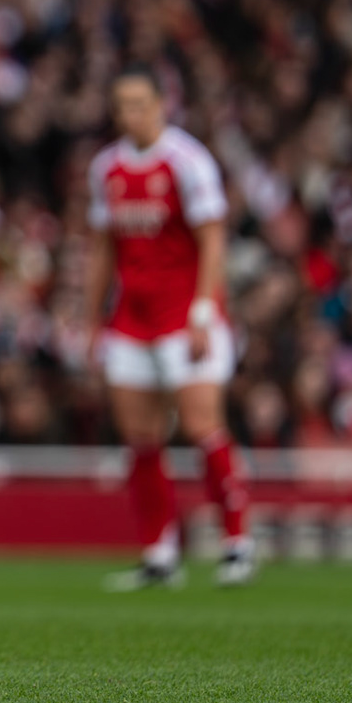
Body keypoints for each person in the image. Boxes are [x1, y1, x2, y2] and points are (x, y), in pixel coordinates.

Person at [85, 65, 255, 590]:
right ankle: (160, 552)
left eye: (141, 102)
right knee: (141, 437)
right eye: (123, 104)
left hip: (184, 315)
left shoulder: (187, 161)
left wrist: (204, 311)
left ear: (161, 104)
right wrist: (93, 319)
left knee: (203, 425)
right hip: (132, 318)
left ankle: (237, 543)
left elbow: (212, 240)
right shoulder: (105, 168)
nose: (132, 113)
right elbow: (102, 248)